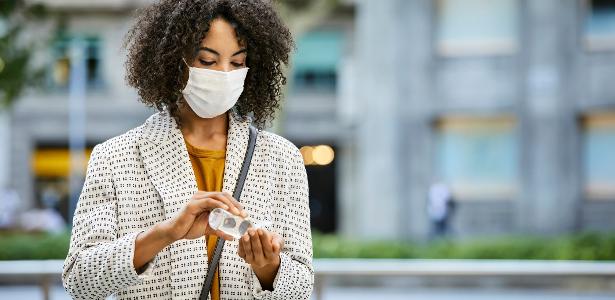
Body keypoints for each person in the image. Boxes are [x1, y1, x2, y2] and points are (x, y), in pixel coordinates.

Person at [62, 1, 313, 299]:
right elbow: (79, 281)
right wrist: (164, 234)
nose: (223, 74)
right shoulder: (116, 157)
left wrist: (269, 267)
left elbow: (301, 287)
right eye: (207, 61)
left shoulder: (281, 158)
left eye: (236, 63)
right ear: (171, 61)